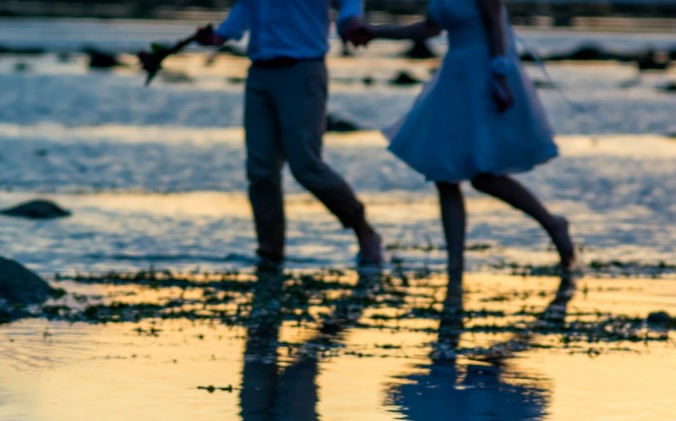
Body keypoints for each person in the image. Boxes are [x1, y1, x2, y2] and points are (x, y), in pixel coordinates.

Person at [345, 0, 576, 272]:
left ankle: (552, 223)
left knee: (484, 176)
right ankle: (455, 266)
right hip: (455, 77)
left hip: (486, 74)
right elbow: (429, 29)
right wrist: (375, 32)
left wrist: (500, 75)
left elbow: (495, 24)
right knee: (445, 175)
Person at [194, 1, 384, 269]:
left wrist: (350, 20)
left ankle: (364, 232)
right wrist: (221, 34)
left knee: (306, 166)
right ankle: (270, 253)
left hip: (303, 69)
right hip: (259, 72)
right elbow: (248, 5)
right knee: (261, 171)